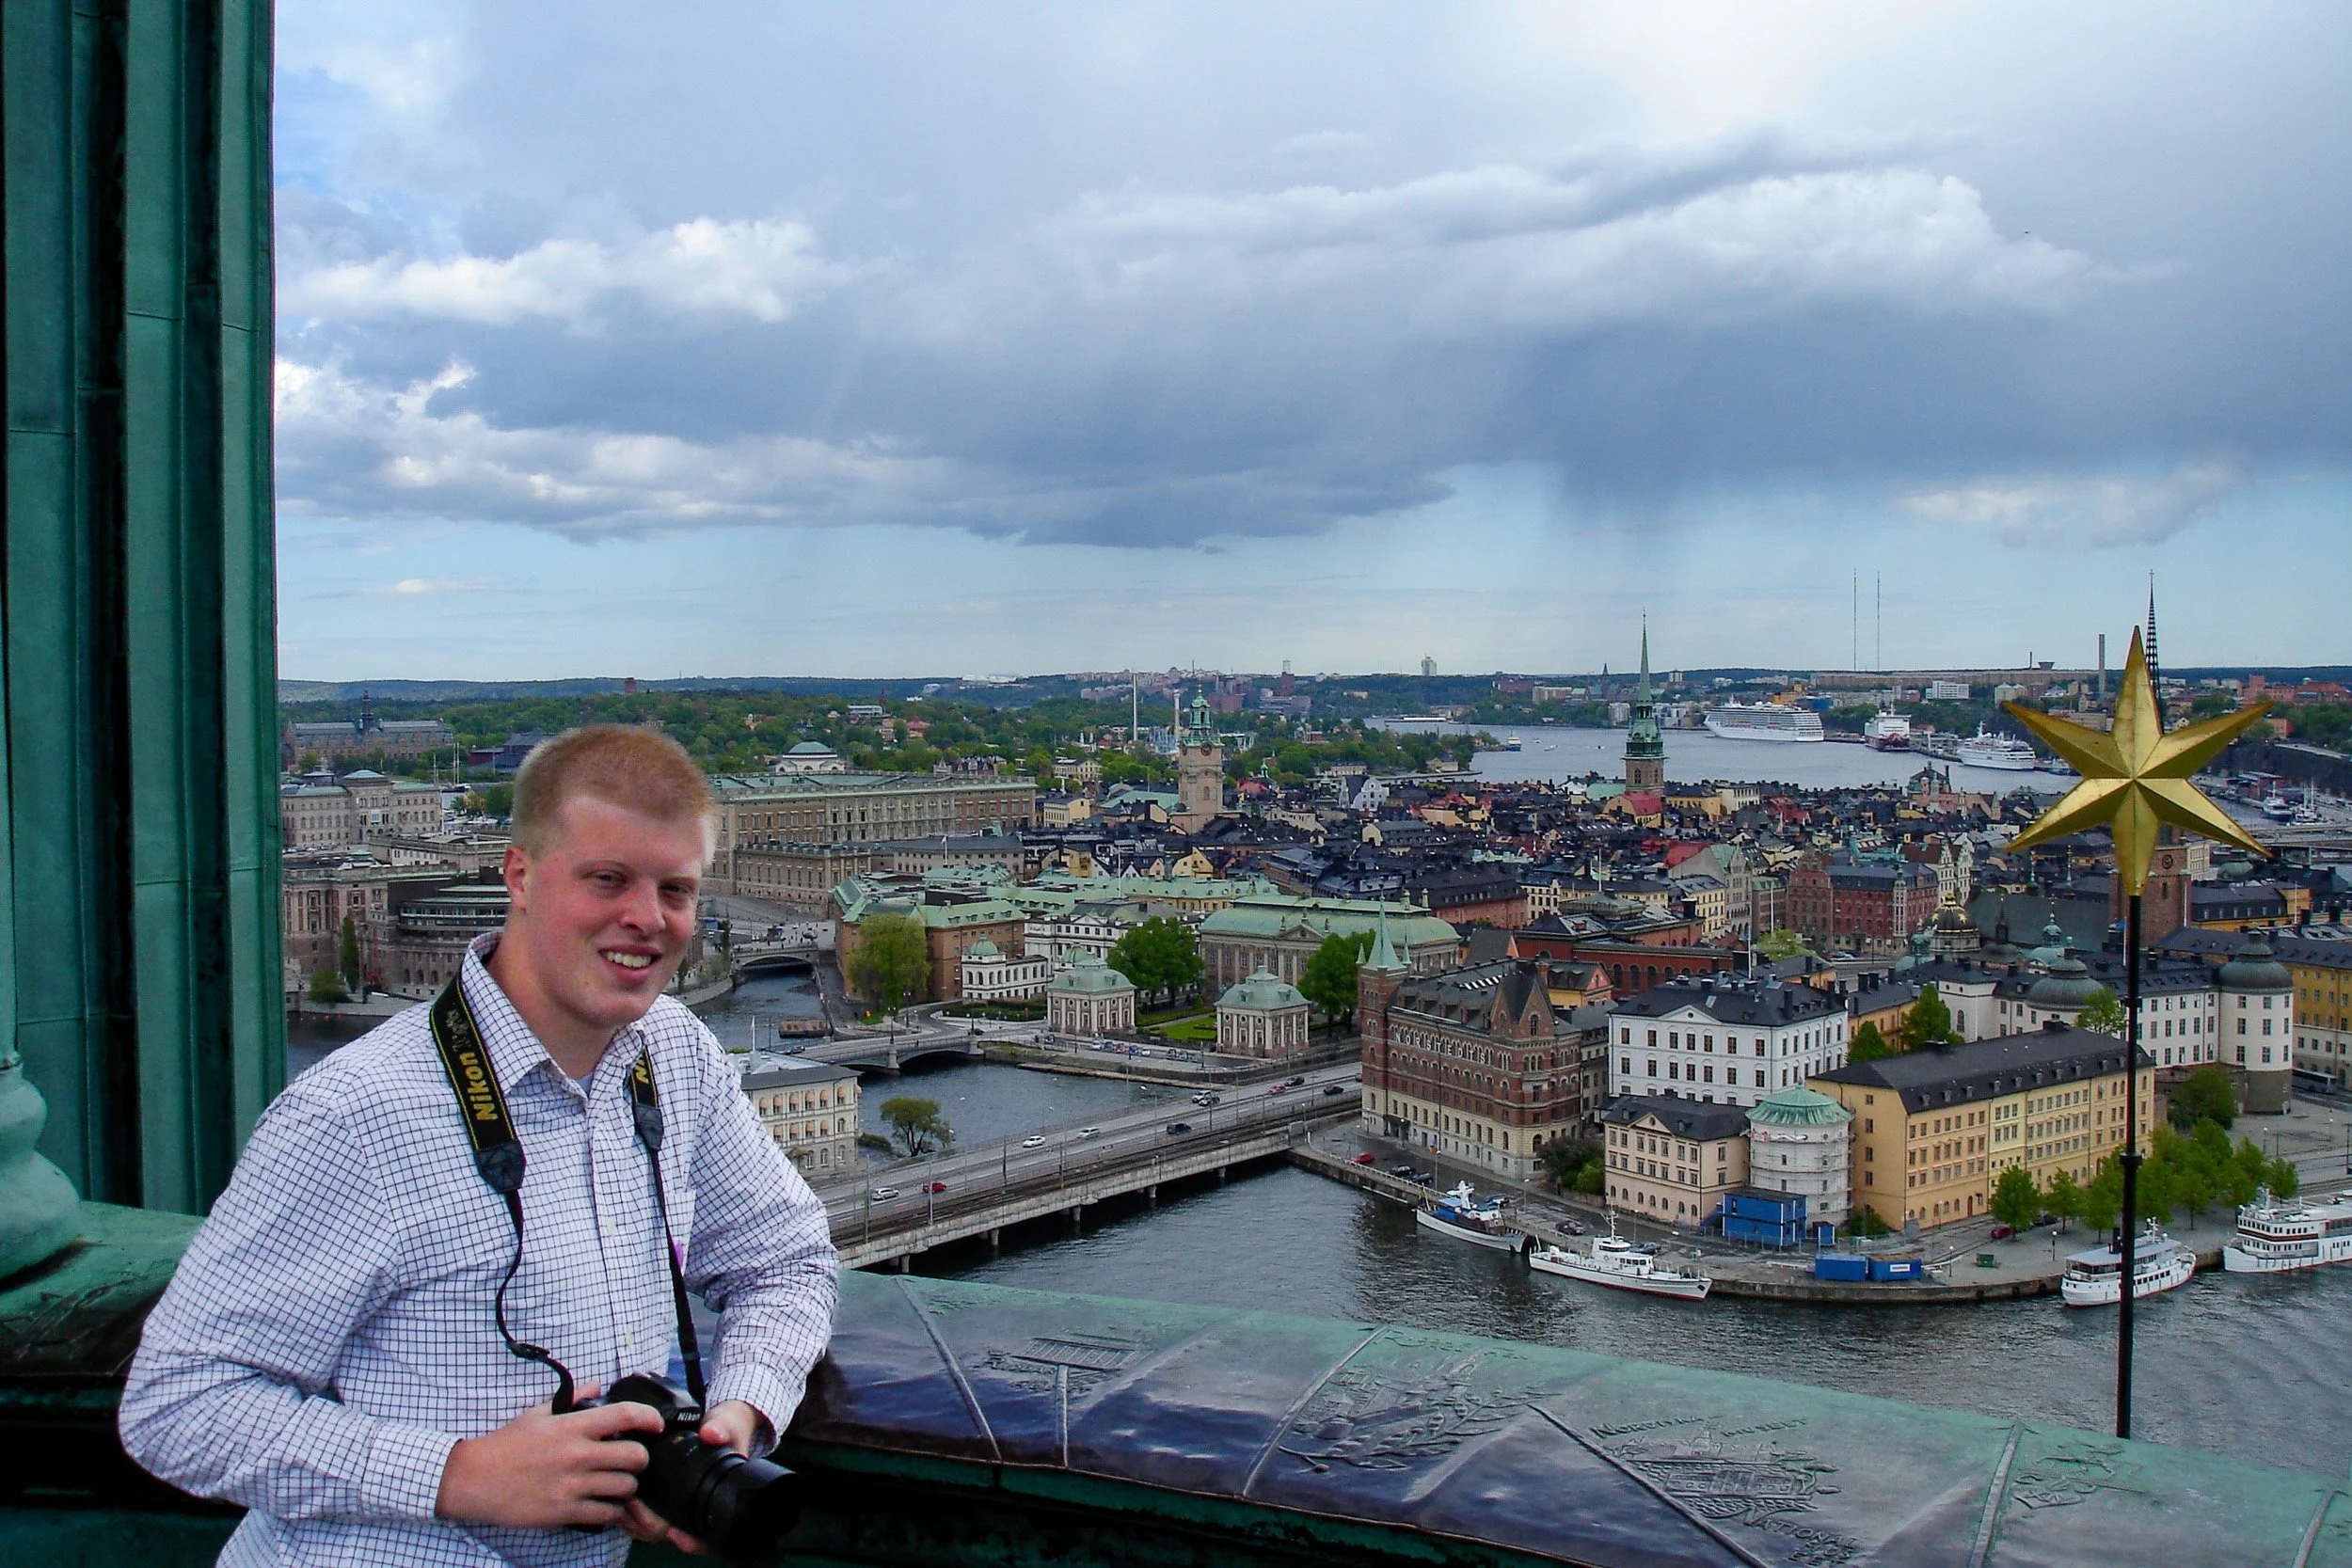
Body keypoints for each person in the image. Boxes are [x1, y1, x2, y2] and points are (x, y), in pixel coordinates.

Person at [121, 726, 838, 1565]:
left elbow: (785, 1258)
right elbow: (176, 1403)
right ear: (520, 873)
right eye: (606, 878)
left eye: (675, 889)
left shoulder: (673, 1054)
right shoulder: (354, 1114)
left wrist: (736, 1417)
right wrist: (456, 1473)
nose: (646, 918)